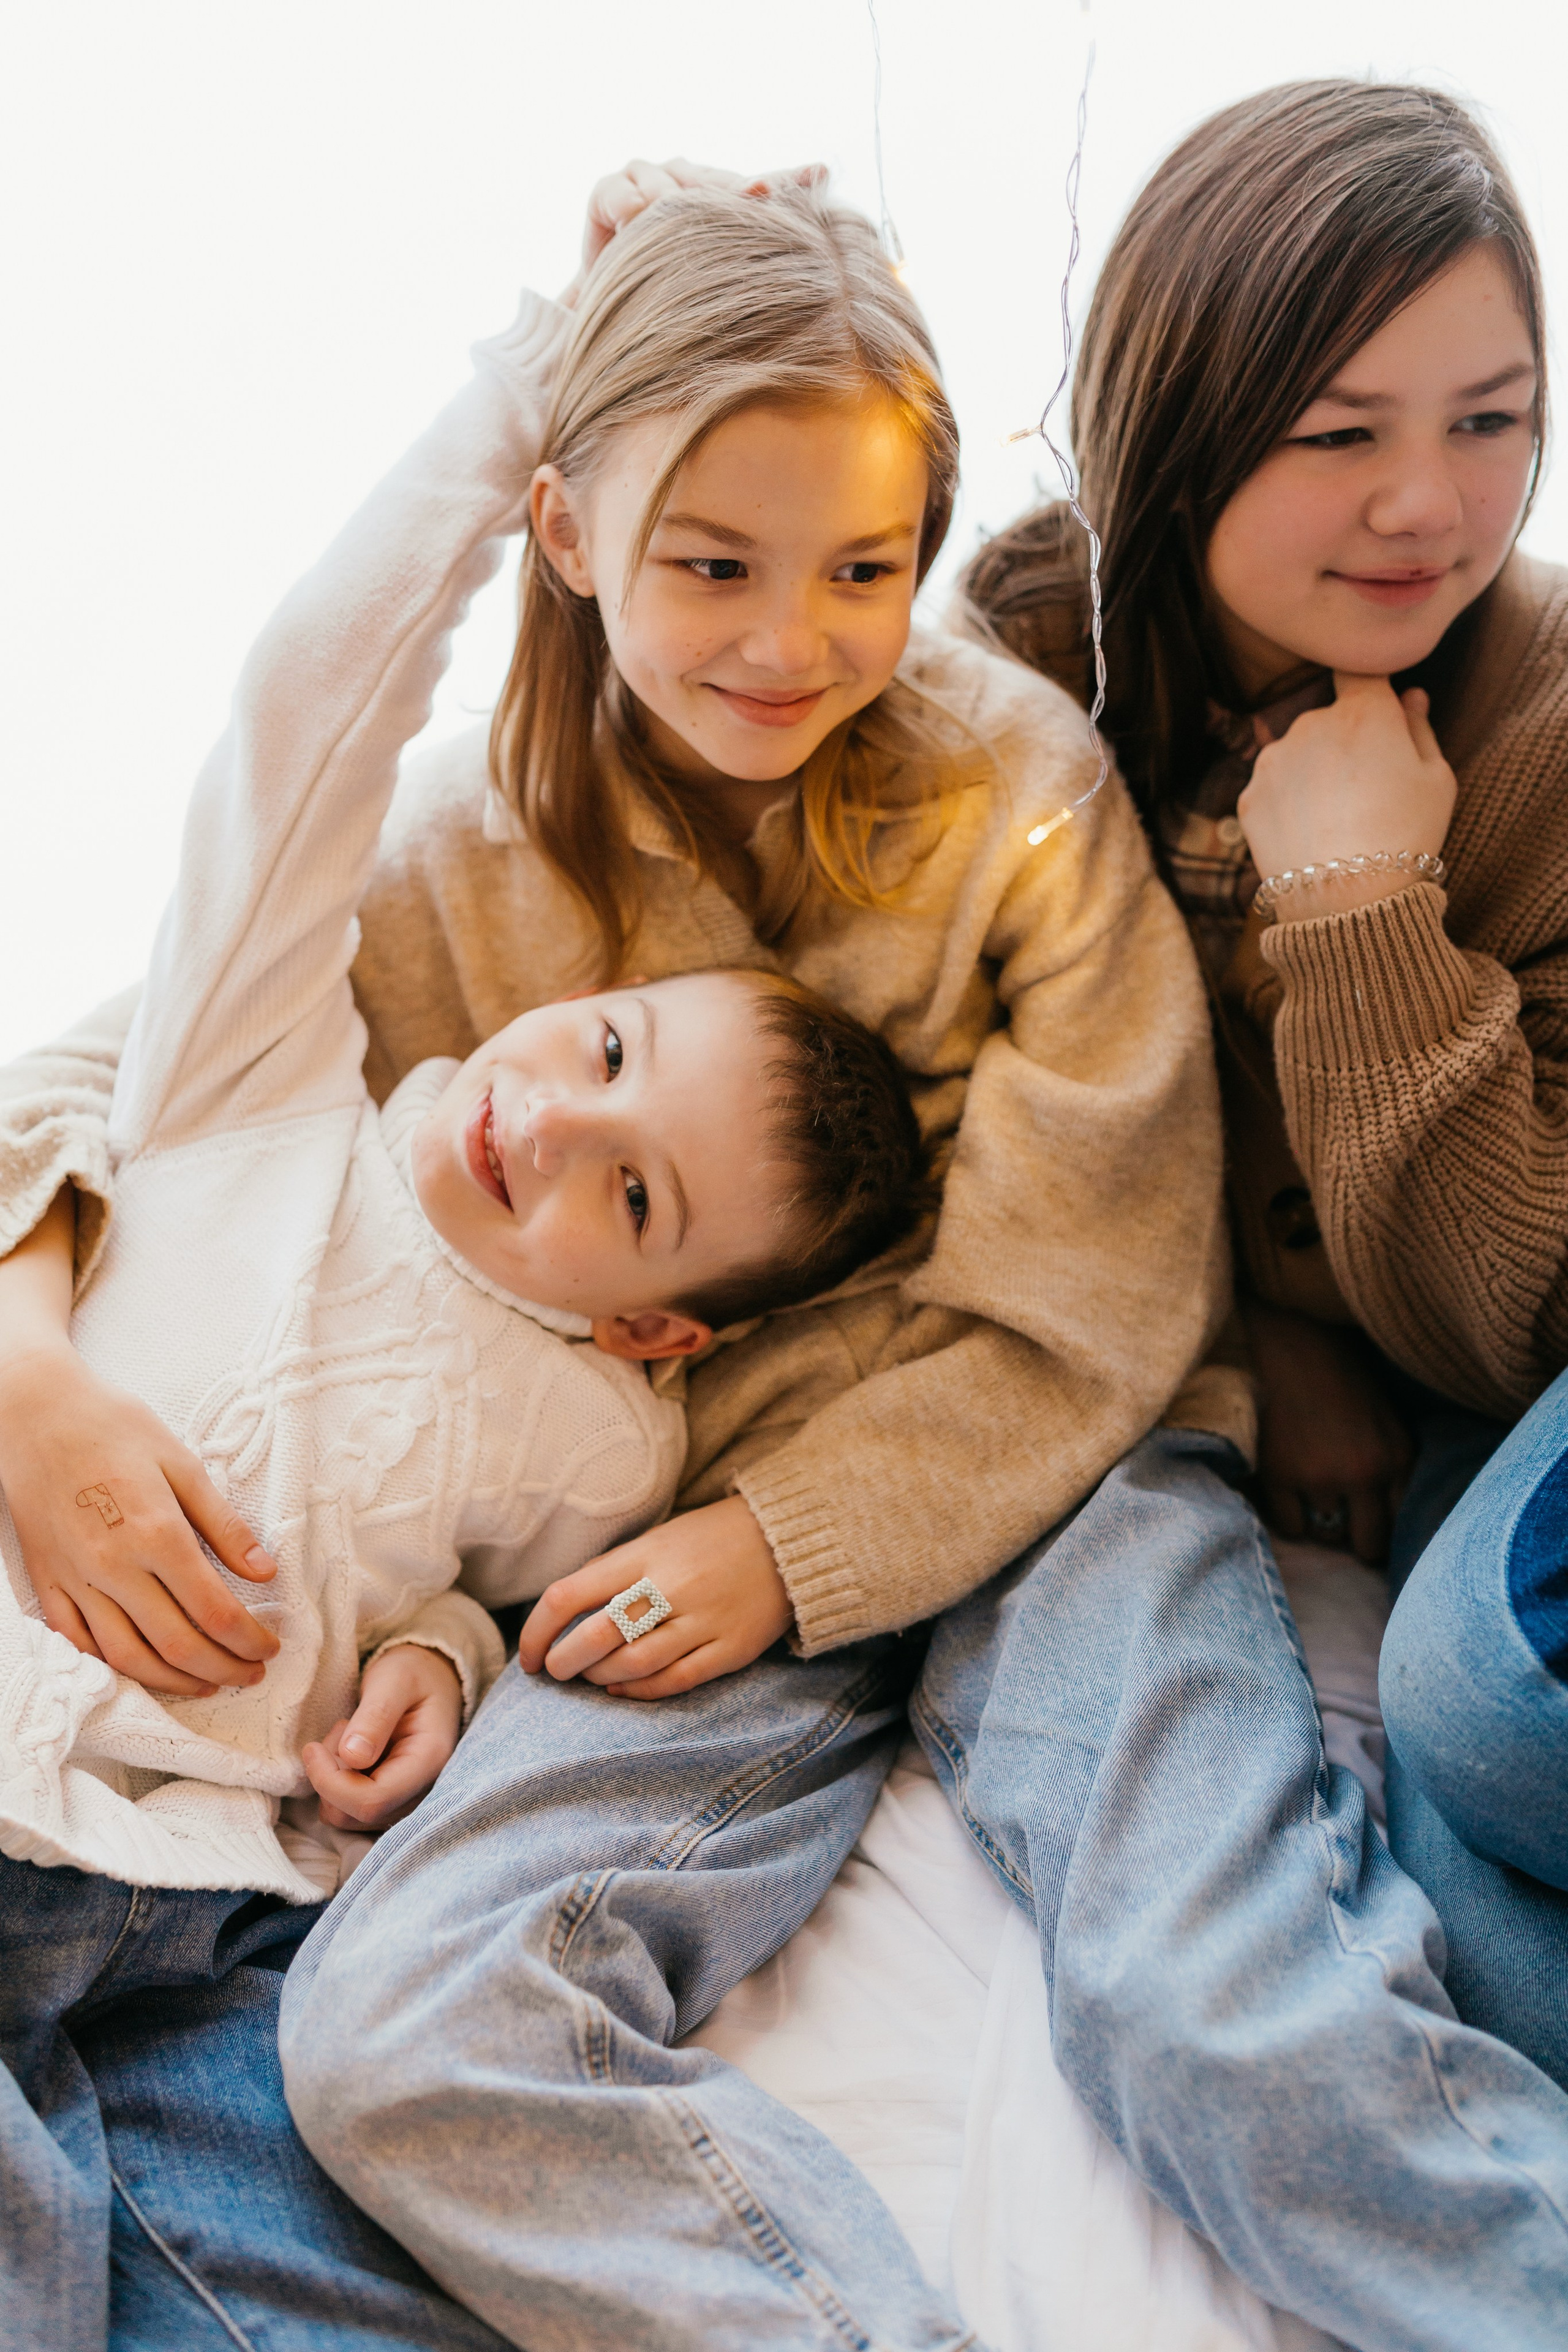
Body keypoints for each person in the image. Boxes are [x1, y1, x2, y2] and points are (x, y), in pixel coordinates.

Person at [1, 151, 1560, 2352]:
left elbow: (1101, 1297)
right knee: (402, 2029)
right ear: (564, 537)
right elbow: (104, 1085)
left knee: (1204, 1999)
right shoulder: (454, 854)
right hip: (646, 1577)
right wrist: (33, 1374)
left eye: (862, 568)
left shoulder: (1011, 784)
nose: (791, 637)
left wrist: (795, 1542)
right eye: (709, 563)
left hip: (1044, 1499)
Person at [0, 184, 932, 2346]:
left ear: (660, 1317)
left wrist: (434, 1675)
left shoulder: (607, 1431)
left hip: (186, 1903)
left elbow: (460, 1594)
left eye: (631, 1191)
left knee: (345, 2271)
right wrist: (530, 372)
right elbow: (305, 700)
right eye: (606, 1046)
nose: (560, 1115)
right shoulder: (260, 1074)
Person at [963, 77, 1568, 2119]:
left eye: (1491, 421)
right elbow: (977, 1096)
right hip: (1314, 1425)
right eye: (1342, 436)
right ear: (1184, 421)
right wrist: (1243, 1353)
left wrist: (1363, 903)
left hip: (1495, 1397)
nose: (1434, 506)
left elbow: (1519, 1315)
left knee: (1479, 1716)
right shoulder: (1029, 657)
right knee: (1460, 1965)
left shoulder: (1546, 718)